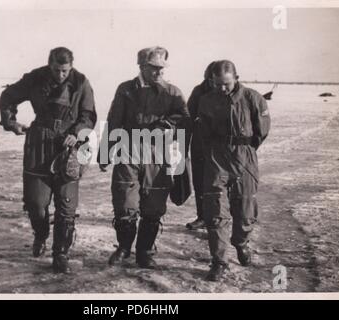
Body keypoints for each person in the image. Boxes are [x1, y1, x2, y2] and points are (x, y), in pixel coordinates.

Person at [0, 47, 97, 274]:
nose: (60, 75)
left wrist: (78, 132)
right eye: (56, 70)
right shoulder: (35, 78)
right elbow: (8, 96)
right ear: (49, 64)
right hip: (39, 145)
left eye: (65, 70)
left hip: (69, 148)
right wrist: (10, 122)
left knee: (66, 206)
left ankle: (61, 254)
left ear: (70, 67)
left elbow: (88, 114)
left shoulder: (81, 82)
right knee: (36, 204)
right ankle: (41, 234)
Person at [98, 46, 190, 269]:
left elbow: (184, 118)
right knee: (124, 203)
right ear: (142, 66)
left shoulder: (173, 92)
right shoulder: (126, 90)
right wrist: (105, 152)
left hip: (158, 151)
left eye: (162, 68)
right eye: (154, 68)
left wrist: (167, 125)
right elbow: (114, 120)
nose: (159, 72)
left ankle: (145, 252)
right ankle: (123, 247)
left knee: (153, 206)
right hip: (128, 147)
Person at [197, 60, 270, 281]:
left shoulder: (253, 98)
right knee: (216, 210)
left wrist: (245, 148)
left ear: (236, 78)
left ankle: (241, 242)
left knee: (246, 206)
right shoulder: (206, 100)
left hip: (244, 156)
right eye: (217, 84)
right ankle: (219, 261)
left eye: (226, 84)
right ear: (211, 81)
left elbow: (262, 131)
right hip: (217, 158)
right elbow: (203, 132)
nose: (222, 88)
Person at [185, 61, 216, 230]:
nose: (213, 83)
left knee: (219, 183)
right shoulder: (199, 92)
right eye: (209, 79)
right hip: (199, 145)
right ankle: (202, 216)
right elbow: (188, 117)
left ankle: (219, 220)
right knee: (199, 181)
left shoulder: (226, 92)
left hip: (220, 147)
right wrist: (183, 146)